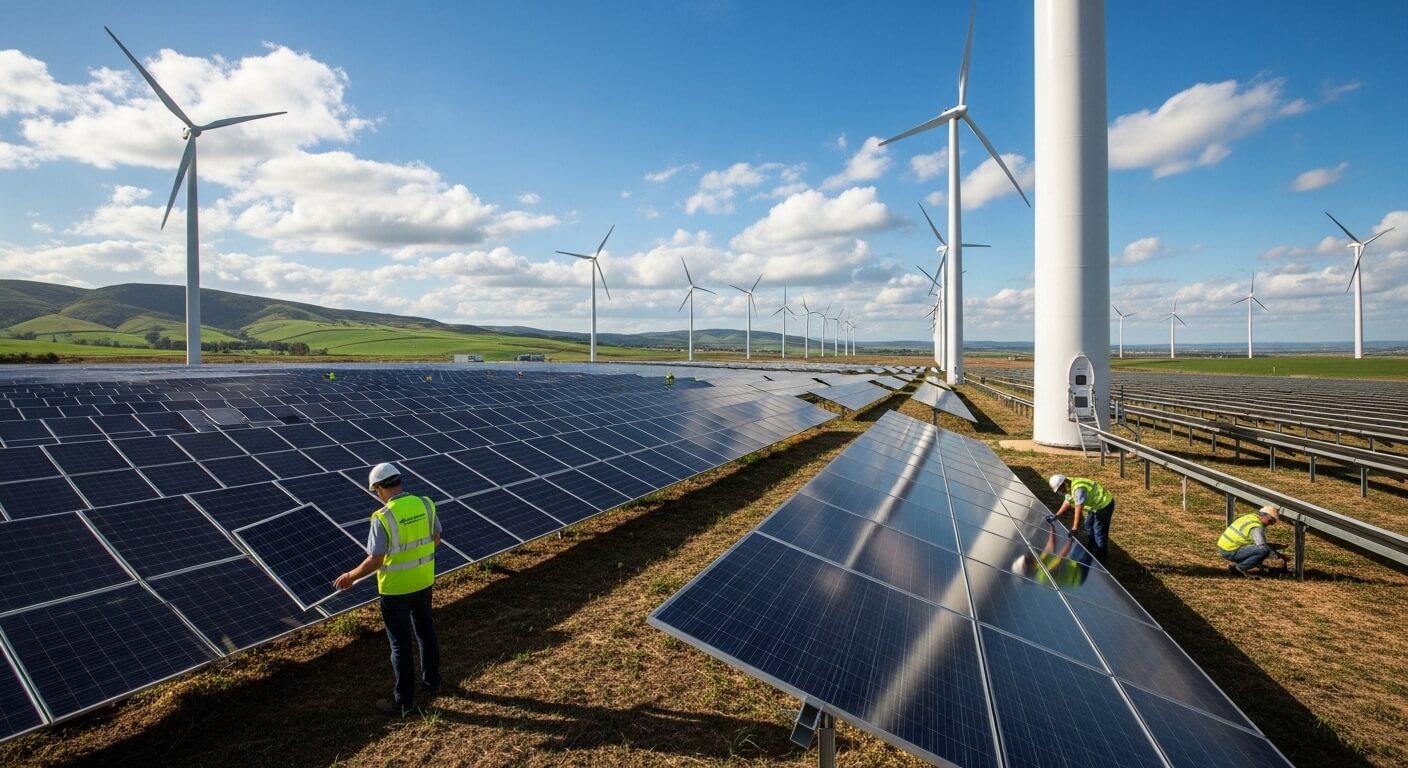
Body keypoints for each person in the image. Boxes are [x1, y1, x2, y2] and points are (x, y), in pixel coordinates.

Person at [333, 463, 443, 715]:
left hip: (395, 590)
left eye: (375, 491)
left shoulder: (383, 517)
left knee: (400, 645)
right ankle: (433, 681)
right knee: (426, 632)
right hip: (424, 580)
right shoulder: (425, 503)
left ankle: (403, 702)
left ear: (381, 488)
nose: (376, 495)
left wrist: (350, 576)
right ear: (399, 481)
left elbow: (376, 559)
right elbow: (436, 538)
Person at [1048, 473, 1116, 562]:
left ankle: (1101, 556)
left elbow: (1078, 508)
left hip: (1104, 504)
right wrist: (1056, 515)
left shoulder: (1078, 489)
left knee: (1099, 530)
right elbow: (1067, 501)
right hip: (1094, 506)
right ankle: (1092, 547)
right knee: (1088, 524)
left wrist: (1075, 527)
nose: (1060, 492)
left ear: (1064, 483)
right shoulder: (1069, 485)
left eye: (1060, 489)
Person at [1218, 505, 1283, 577]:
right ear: (1264, 516)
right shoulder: (1256, 527)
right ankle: (1240, 568)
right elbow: (1262, 547)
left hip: (1224, 547)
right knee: (1264, 551)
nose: (1271, 524)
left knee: (1262, 550)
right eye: (1271, 521)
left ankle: (1244, 566)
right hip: (1231, 550)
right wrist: (1278, 555)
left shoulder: (1251, 517)